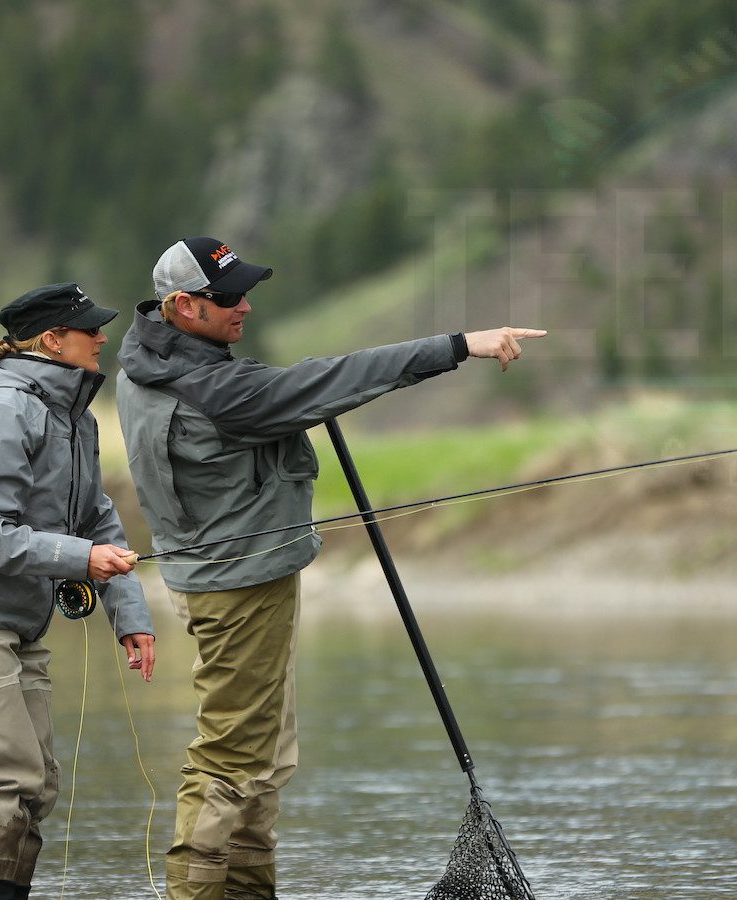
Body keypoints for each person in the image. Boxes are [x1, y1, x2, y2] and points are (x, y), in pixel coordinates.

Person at [115, 236, 544, 900]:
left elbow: (282, 392)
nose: (246, 306)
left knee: (262, 762)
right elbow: (305, 387)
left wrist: (295, 395)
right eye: (228, 298)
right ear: (181, 306)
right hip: (237, 588)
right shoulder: (215, 388)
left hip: (223, 578)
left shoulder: (152, 359)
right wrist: (459, 345)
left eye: (245, 291)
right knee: (230, 763)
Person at [0, 283, 158, 900]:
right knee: (10, 773)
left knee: (36, 782)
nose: (101, 338)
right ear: (51, 340)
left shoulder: (75, 417)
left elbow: (97, 520)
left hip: (18, 617)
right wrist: (82, 560)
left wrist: (131, 618)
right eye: (89, 329)